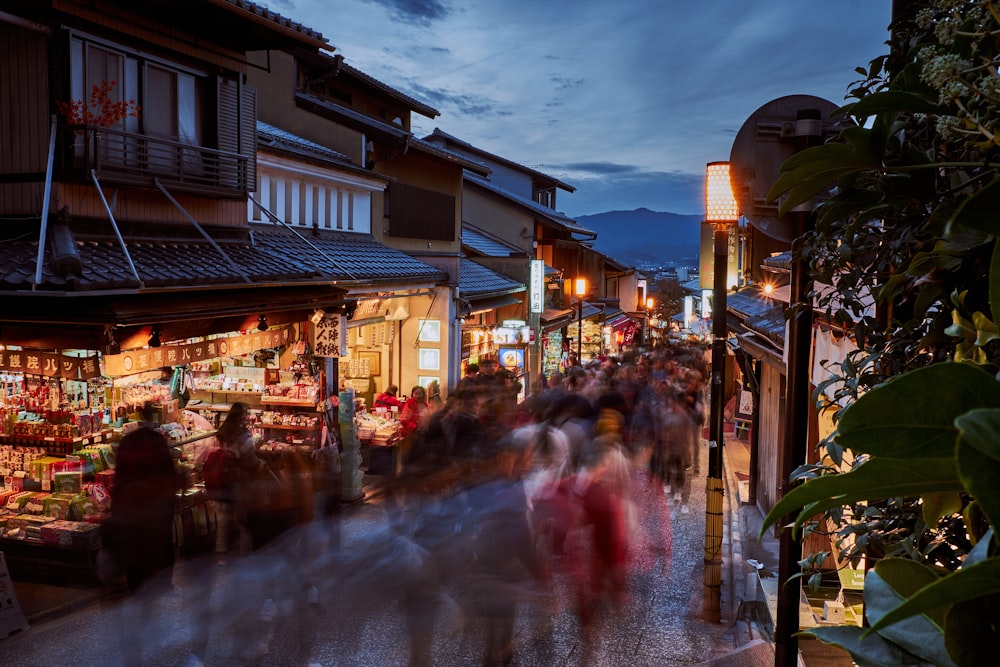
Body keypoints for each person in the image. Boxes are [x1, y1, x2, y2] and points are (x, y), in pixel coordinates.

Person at [104, 401, 183, 667]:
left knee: (137, 583)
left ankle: (134, 643)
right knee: (149, 587)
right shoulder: (158, 443)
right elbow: (169, 478)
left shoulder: (130, 442)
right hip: (153, 525)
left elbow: (119, 480)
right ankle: (145, 636)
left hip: (129, 525)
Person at [213, 401, 267, 559]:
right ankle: (245, 556)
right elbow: (249, 459)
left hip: (223, 480)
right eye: (246, 415)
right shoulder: (243, 435)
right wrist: (262, 465)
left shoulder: (223, 432)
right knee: (245, 522)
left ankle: (221, 553)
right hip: (240, 482)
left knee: (224, 519)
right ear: (241, 417)